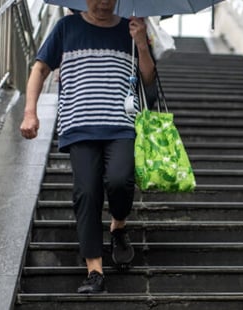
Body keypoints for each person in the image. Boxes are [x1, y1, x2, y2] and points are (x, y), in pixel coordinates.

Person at [20, 0, 156, 294]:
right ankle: (94, 270)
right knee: (87, 192)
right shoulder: (66, 28)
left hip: (121, 125)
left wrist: (141, 44)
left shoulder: (130, 29)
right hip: (79, 127)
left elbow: (149, 80)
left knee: (121, 181)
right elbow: (40, 68)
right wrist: (30, 111)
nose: (104, 3)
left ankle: (118, 226)